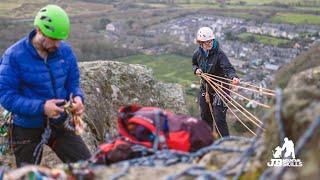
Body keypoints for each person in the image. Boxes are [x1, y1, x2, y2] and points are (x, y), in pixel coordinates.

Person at [0, 4, 91, 167]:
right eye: (54, 39)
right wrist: (42, 107)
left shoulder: (65, 52)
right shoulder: (14, 56)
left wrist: (77, 97)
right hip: (27, 126)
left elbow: (73, 82)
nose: (58, 44)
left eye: (60, 40)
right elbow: (6, 96)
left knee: (88, 167)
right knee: (28, 176)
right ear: (39, 31)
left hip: (59, 123)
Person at [192, 27, 239, 137]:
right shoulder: (197, 53)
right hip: (206, 88)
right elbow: (194, 64)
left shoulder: (219, 54)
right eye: (206, 42)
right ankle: (208, 140)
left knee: (219, 118)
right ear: (200, 43)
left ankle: (225, 144)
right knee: (205, 116)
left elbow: (228, 68)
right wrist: (196, 70)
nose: (209, 44)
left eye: (211, 41)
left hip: (221, 88)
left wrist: (233, 77)